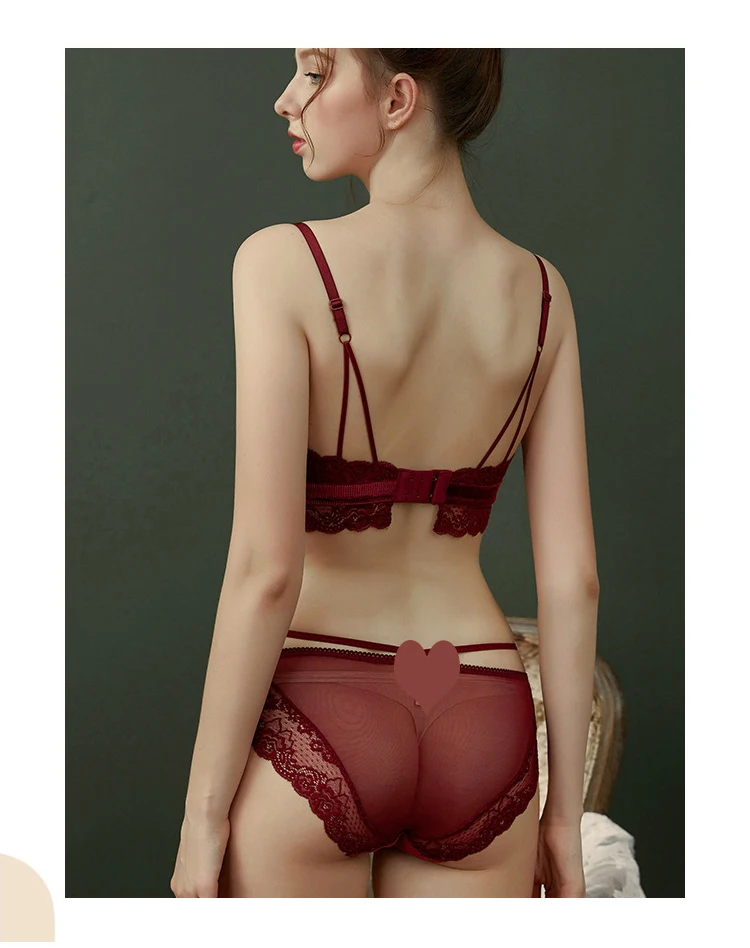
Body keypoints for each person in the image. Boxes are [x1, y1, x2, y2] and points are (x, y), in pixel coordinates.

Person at [170, 48, 598, 899]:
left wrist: (202, 816)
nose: (286, 99)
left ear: (399, 99)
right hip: (484, 717)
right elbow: (574, 582)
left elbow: (265, 571)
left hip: (327, 697)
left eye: (315, 71)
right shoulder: (545, 295)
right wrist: (562, 822)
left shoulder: (282, 262)